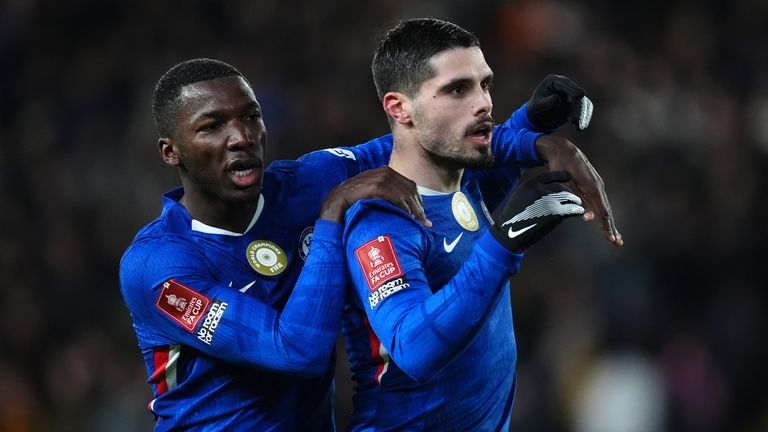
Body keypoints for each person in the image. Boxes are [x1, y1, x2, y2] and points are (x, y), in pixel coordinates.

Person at [119, 52, 616, 429]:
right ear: (171, 151)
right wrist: (334, 213)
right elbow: (295, 352)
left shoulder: (304, 182)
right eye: (212, 126)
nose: (240, 137)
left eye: (250, 116)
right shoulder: (158, 268)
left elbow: (427, 144)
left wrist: (533, 128)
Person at [340, 18, 620, 431]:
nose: (483, 102)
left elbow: (480, 187)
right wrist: (504, 242)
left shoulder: (460, 183)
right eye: (457, 89)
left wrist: (533, 122)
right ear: (400, 108)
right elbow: (413, 349)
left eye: (484, 84)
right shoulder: (380, 221)